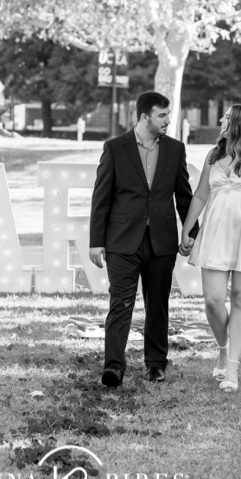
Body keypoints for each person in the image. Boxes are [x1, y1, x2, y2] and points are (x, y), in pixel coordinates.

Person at [89, 91, 194, 387]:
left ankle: (156, 365)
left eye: (168, 115)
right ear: (145, 117)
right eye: (162, 116)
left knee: (157, 304)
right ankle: (113, 367)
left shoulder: (175, 149)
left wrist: (190, 232)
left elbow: (184, 197)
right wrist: (96, 240)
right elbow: (101, 198)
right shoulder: (115, 148)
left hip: (161, 241)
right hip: (122, 241)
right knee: (120, 303)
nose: (168, 121)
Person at [179, 104, 241, 392]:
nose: (222, 120)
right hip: (215, 231)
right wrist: (186, 229)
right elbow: (199, 195)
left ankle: (232, 368)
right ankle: (223, 348)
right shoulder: (214, 155)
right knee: (212, 300)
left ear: (240, 123)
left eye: (227, 117)